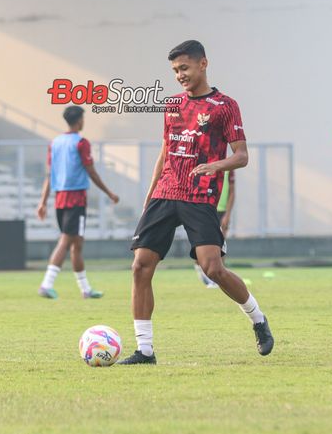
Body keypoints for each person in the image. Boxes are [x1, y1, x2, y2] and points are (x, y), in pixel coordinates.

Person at [117, 40, 274, 365]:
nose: (180, 75)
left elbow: (242, 156)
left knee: (213, 269)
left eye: (184, 68)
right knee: (140, 266)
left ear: (203, 64)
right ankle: (145, 350)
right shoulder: (172, 105)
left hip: (200, 195)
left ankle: (257, 318)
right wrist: (150, 194)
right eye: (175, 71)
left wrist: (215, 166)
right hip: (166, 192)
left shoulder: (224, 106)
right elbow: (165, 151)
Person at [36, 106, 119, 299]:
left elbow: (50, 175)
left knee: (77, 244)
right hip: (76, 199)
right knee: (66, 241)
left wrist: (43, 202)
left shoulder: (55, 143)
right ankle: (46, 284)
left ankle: (85, 290)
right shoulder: (81, 143)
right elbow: (91, 171)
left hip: (60, 198)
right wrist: (109, 193)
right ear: (79, 120)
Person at [194, 169, 235, 288]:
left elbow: (232, 191)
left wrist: (227, 215)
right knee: (202, 247)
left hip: (221, 212)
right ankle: (202, 270)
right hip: (205, 208)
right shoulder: (205, 162)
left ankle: (218, 278)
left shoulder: (229, 166)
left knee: (221, 246)